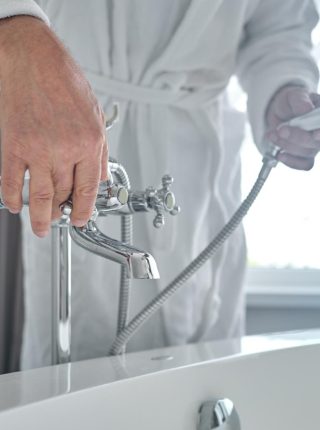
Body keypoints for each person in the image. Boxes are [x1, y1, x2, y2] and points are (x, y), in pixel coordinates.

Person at [0, 0, 319, 369]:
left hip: (201, 163)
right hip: (72, 127)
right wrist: (15, 25)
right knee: (73, 390)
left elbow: (279, 28)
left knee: (206, 390)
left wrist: (282, 89)